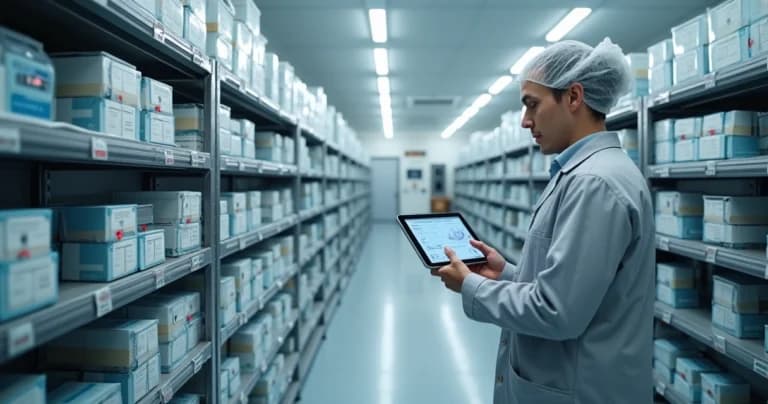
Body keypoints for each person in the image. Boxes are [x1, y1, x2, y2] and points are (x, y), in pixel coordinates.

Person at [432, 38, 655, 404]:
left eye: (531, 104)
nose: (525, 121)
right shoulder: (585, 174)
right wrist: (505, 273)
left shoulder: (593, 184)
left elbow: (557, 311)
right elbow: (572, 283)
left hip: (581, 389)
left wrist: (471, 286)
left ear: (573, 97)